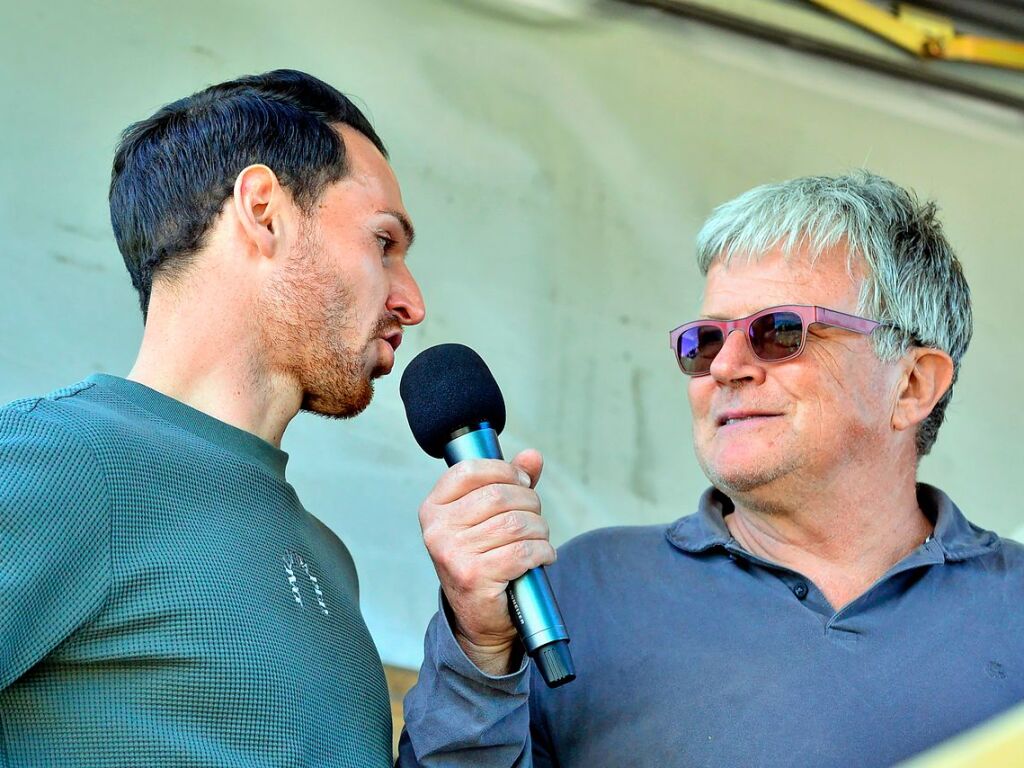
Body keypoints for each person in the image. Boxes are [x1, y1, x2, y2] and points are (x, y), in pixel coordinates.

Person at [398, 172, 1024, 767]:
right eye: (704, 341)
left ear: (913, 384)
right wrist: (480, 650)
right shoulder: (579, 590)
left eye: (778, 332)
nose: (725, 367)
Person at [0, 69, 424, 766]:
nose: (411, 300)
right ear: (263, 211)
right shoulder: (60, 459)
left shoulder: (329, 560)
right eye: (384, 242)